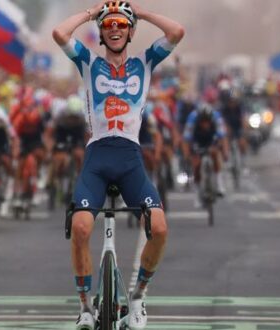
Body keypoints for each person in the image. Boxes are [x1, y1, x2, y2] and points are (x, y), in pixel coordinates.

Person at [52, 1, 184, 329]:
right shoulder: (89, 62)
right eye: (109, 24)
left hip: (129, 158)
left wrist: (139, 12)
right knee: (81, 228)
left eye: (121, 25)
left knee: (160, 228)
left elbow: (176, 32)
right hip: (97, 156)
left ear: (130, 31)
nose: (114, 29)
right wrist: (92, 12)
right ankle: (85, 307)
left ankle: (138, 297)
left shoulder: (145, 61)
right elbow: (59, 33)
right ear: (101, 30)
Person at [182, 103, 229, 201]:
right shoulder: (192, 119)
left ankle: (219, 184)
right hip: (197, 140)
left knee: (215, 153)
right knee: (196, 165)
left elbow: (223, 137)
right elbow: (186, 140)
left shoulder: (216, 118)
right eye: (203, 122)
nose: (205, 124)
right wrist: (187, 155)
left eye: (207, 122)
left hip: (211, 138)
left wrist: (225, 152)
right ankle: (198, 193)